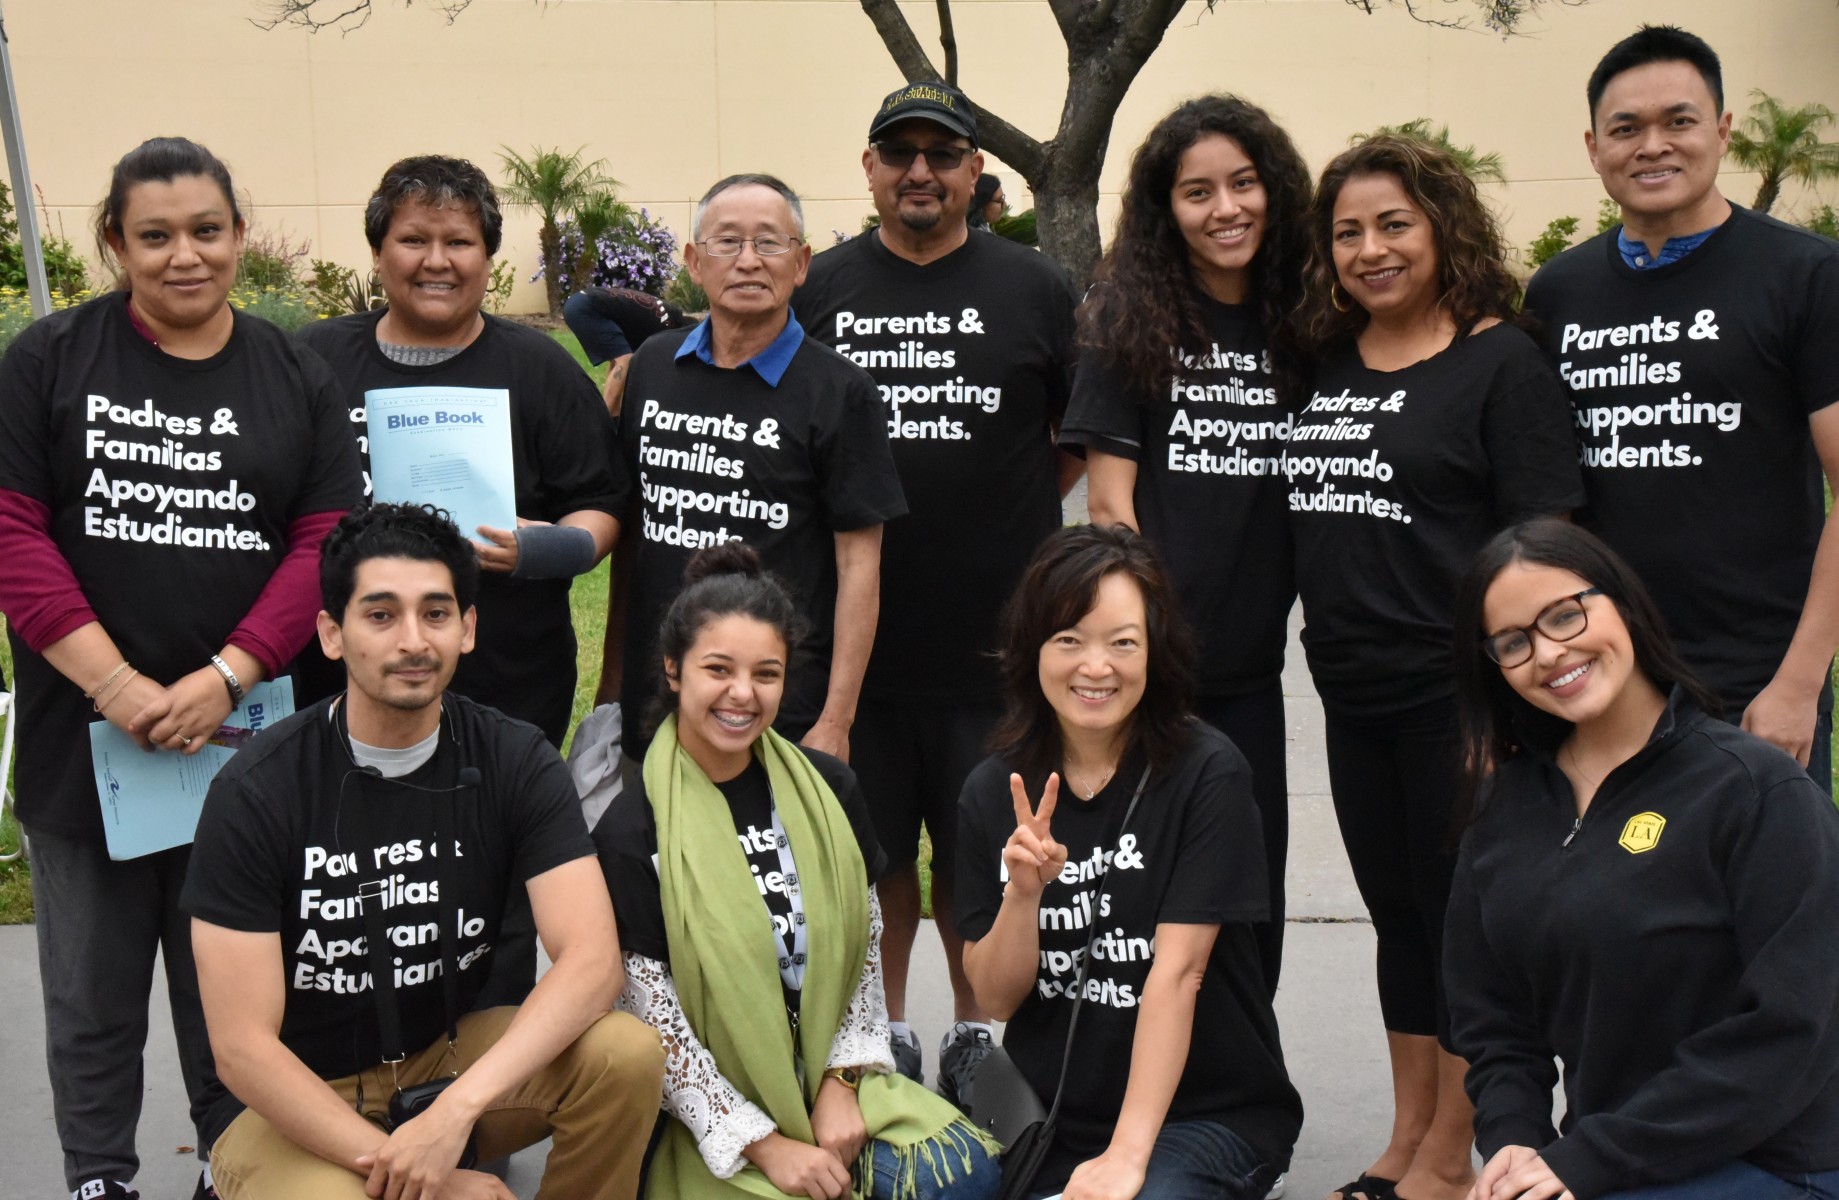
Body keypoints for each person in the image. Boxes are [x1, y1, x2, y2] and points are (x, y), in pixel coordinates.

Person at [0, 136, 362, 1200]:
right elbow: (14, 533)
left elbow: (325, 539)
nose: (184, 256)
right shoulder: (50, 360)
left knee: (235, 992)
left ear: (239, 234)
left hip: (245, 742)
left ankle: (232, 1167)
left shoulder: (295, 372)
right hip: (87, 744)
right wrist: (114, 685)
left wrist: (227, 676)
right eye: (154, 236)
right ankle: (100, 1178)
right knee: (91, 993)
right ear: (113, 241)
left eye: (206, 230)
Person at [183, 502, 666, 1200]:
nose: (413, 639)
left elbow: (591, 963)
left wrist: (457, 1113)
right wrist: (431, 1181)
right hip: (290, 1097)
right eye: (381, 615)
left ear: (467, 628)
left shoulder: (513, 757)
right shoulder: (257, 790)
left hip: (441, 1059)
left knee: (623, 1054)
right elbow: (242, 1050)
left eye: (436, 614)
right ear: (331, 633)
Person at [1285, 134, 1584, 1200]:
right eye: (1349, 230)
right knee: (1399, 918)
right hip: (1352, 693)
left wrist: (1518, 699)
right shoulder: (1326, 359)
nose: (1371, 248)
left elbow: (1544, 545)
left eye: (1394, 224)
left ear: (1442, 226)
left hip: (1459, 701)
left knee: (1467, 925)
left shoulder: (1501, 363)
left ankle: (1457, 1156)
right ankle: (1408, 1134)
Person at [793, 81, 1078, 1098]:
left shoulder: (1036, 289)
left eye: (941, 155)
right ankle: (886, 1034)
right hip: (853, 649)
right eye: (899, 153)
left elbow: (1069, 443)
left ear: (974, 174)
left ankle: (972, 1041)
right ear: (869, 168)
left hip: (994, 643)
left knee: (974, 853)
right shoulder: (818, 287)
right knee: (869, 862)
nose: (921, 171)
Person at [1445, 517, 1839, 1200]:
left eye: (1564, 616)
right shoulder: (1503, 809)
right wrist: (1514, 1140)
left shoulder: (1752, 790)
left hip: (1777, 1158)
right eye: (1513, 641)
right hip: (1614, 1160)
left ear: (1621, 603)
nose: (1547, 653)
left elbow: (1791, 1028)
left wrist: (1587, 1159)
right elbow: (1493, 1020)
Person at [593, 542, 1001, 1200]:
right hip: (715, 1119)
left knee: (965, 1179)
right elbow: (651, 1024)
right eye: (717, 669)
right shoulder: (633, 830)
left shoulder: (827, 789)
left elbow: (864, 948)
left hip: (833, 1080)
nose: (742, 694)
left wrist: (842, 1085)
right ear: (673, 670)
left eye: (766, 674)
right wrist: (767, 1144)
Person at [1522, 25, 1839, 786]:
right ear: (1593, 146)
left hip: (1755, 679)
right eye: (1625, 129)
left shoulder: (1804, 276)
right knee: (1615, 896)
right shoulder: (1557, 292)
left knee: (1769, 898)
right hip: (1604, 672)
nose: (1651, 146)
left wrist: (1796, 687)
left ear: (1721, 132)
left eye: (1679, 121)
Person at [956, 524, 1302, 1200]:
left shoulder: (1206, 773)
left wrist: (1125, 1156)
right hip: (1046, 1111)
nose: (1096, 667)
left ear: (1154, 652)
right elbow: (995, 997)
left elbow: (1178, 974)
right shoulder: (994, 790)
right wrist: (1021, 895)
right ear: (1032, 650)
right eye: (1069, 641)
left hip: (1199, 1115)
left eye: (1122, 643)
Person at [1061, 94, 1313, 1002]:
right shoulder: (1129, 322)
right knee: (1139, 895)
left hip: (1251, 670)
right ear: (1165, 209)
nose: (1225, 209)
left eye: (1243, 184)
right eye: (1197, 191)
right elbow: (1109, 504)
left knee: (1250, 893)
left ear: (1274, 191)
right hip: (1156, 671)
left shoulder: (1305, 324)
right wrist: (1142, 647)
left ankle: (1238, 1096)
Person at [296, 154, 627, 749]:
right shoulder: (313, 360)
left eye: (460, 241)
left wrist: (542, 547)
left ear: (487, 257)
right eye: (413, 239)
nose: (437, 261)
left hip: (507, 686)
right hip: (337, 685)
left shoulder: (539, 370)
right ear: (377, 254)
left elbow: (602, 504)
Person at [609, 172, 905, 760]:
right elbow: (633, 539)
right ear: (695, 262)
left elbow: (860, 561)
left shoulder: (839, 390)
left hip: (776, 701)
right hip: (659, 695)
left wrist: (836, 722)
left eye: (770, 243)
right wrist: (611, 680)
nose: (748, 260)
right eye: (727, 243)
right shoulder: (653, 367)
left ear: (801, 264)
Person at [561, 286, 693, 416]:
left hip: (579, 301)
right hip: (587, 308)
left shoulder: (663, 316)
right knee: (625, 361)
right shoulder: (671, 329)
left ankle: (613, 414)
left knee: (618, 360)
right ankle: (603, 422)